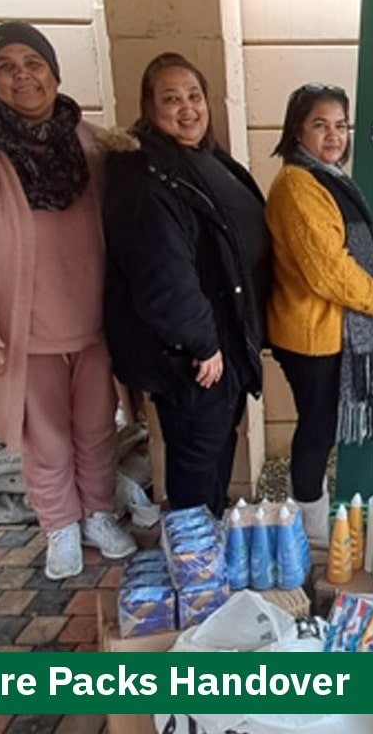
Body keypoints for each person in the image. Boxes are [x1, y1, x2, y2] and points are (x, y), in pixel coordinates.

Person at [0, 21, 135, 580]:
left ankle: (98, 513)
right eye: (6, 67)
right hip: (24, 331)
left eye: (33, 63)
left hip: (94, 322)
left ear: (54, 73)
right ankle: (59, 525)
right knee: (46, 437)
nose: (22, 76)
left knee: (97, 427)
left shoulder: (89, 142)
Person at [102, 53, 271, 519]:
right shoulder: (143, 173)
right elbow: (162, 273)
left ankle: (207, 541)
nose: (188, 108)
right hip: (193, 354)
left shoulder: (203, 157)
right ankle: (191, 553)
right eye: (171, 99)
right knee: (196, 459)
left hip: (223, 341)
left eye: (194, 96)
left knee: (216, 448)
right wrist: (202, 342)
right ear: (148, 107)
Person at [266, 83, 373, 545]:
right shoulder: (297, 184)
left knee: (320, 429)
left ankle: (307, 516)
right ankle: (308, 530)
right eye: (320, 125)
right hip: (311, 333)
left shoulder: (329, 178)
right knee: (317, 429)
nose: (333, 135)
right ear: (297, 130)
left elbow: (359, 256)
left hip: (334, 329)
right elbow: (328, 271)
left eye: (341, 125)